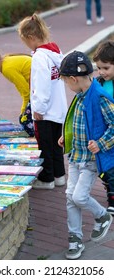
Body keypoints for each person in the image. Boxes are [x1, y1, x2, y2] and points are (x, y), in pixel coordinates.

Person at [58, 50, 113, 259]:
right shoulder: (80, 97)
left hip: (90, 160)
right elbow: (78, 123)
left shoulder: (99, 97)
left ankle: (102, 216)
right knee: (70, 198)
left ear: (73, 79)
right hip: (75, 157)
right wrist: (67, 137)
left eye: (65, 82)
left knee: (79, 196)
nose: (67, 86)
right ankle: (75, 238)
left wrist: (100, 143)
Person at [18, 13, 68, 189]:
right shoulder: (55, 51)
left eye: (25, 41)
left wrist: (38, 108)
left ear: (31, 37)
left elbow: (41, 84)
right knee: (56, 144)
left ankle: (47, 179)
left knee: (44, 146)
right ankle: (59, 175)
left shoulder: (39, 57)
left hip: (44, 112)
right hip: (58, 108)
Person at [93, 40, 114, 214]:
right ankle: (110, 191)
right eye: (99, 68)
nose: (101, 72)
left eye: (106, 68)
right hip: (104, 132)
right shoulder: (99, 82)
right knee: (105, 167)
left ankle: (112, 198)